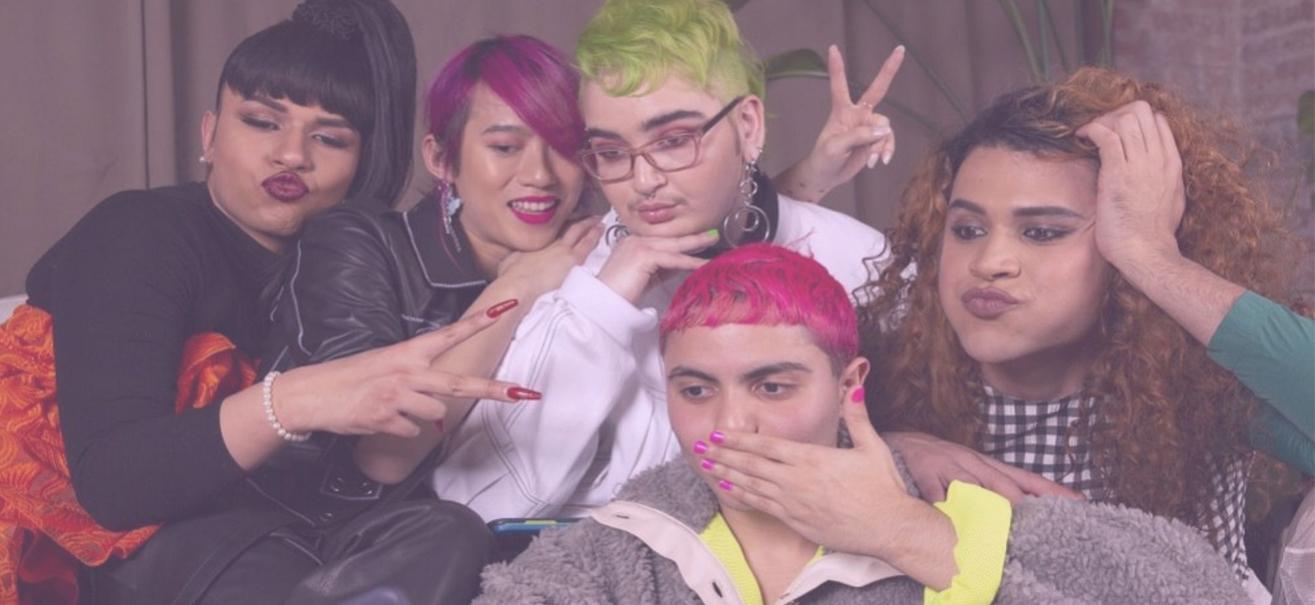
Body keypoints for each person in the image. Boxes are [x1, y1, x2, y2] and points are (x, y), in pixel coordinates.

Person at [0, 2, 530, 603]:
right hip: (117, 542)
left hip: (282, 534)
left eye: (329, 137)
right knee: (262, 565)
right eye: (261, 122)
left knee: (450, 532)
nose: (292, 155)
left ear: (360, 164)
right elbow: (114, 486)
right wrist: (295, 401)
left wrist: (526, 281)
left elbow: (354, 484)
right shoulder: (139, 233)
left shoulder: (356, 269)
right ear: (208, 134)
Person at [475, 243, 1248, 605]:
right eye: (695, 388)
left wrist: (910, 535)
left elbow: (1202, 588)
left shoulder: (958, 508)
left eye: (772, 384)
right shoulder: (628, 540)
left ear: (849, 385)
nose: (731, 423)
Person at [429, 0, 905, 520]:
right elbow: (476, 505)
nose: (643, 180)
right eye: (611, 152)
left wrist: (908, 445)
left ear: (747, 126)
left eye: (674, 141)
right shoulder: (575, 279)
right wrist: (601, 311)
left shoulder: (864, 262)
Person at [838, 67, 1310, 588]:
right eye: (968, 229)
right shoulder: (875, 381)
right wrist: (890, 448)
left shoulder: (1197, 385)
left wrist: (1154, 256)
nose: (991, 260)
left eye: (1041, 232)